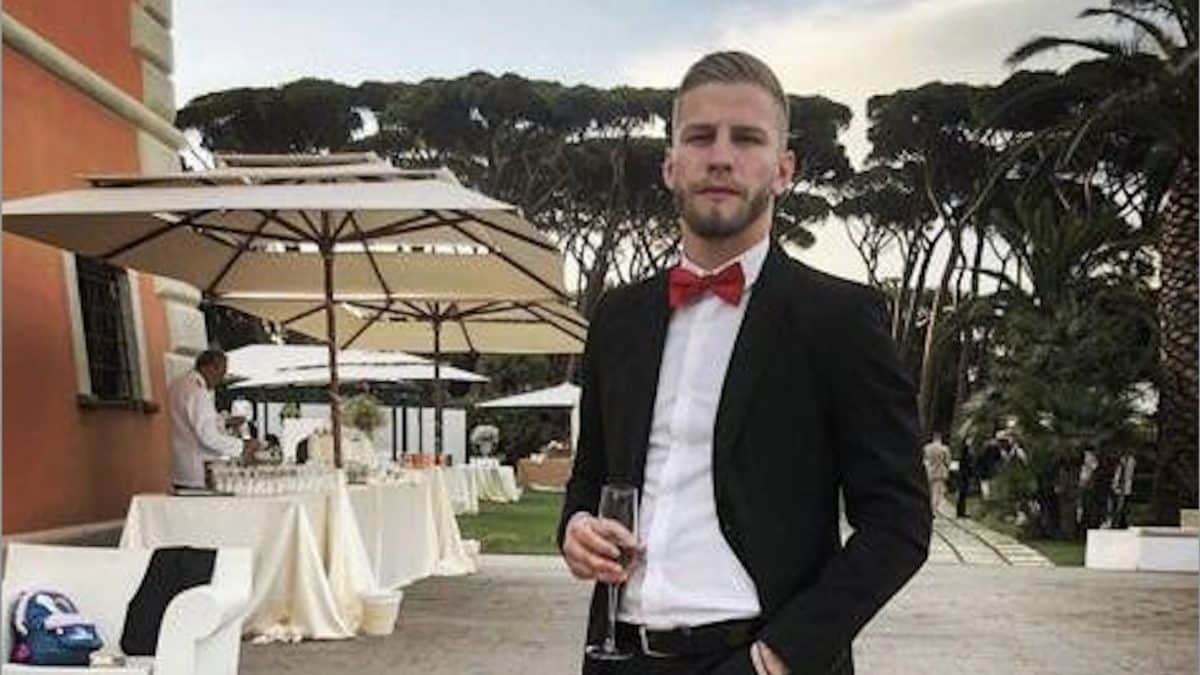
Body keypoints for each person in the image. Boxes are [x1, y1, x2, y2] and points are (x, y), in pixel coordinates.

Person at [558, 51, 931, 675]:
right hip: (618, 655)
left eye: (747, 139)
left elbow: (900, 522)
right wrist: (575, 529)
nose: (721, 157)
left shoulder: (839, 319)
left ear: (784, 170)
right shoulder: (618, 318)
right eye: (700, 136)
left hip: (759, 657)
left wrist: (778, 656)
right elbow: (590, 477)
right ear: (670, 165)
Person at [168, 349, 261, 489]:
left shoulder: (179, 384)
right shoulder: (197, 391)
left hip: (181, 468)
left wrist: (225, 422)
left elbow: (191, 422)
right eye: (221, 372)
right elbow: (208, 436)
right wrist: (242, 446)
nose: (221, 379)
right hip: (197, 471)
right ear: (209, 367)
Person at [922, 432, 952, 517]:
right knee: (937, 492)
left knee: (929, 491)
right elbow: (948, 461)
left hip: (929, 471)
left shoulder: (927, 448)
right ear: (940, 438)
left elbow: (924, 459)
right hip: (940, 472)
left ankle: (928, 508)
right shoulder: (944, 449)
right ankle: (933, 510)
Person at [955, 441, 974, 518]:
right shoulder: (966, 454)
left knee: (962, 494)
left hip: (963, 475)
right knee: (962, 494)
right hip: (964, 476)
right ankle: (961, 511)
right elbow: (968, 465)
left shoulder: (964, 454)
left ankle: (961, 511)